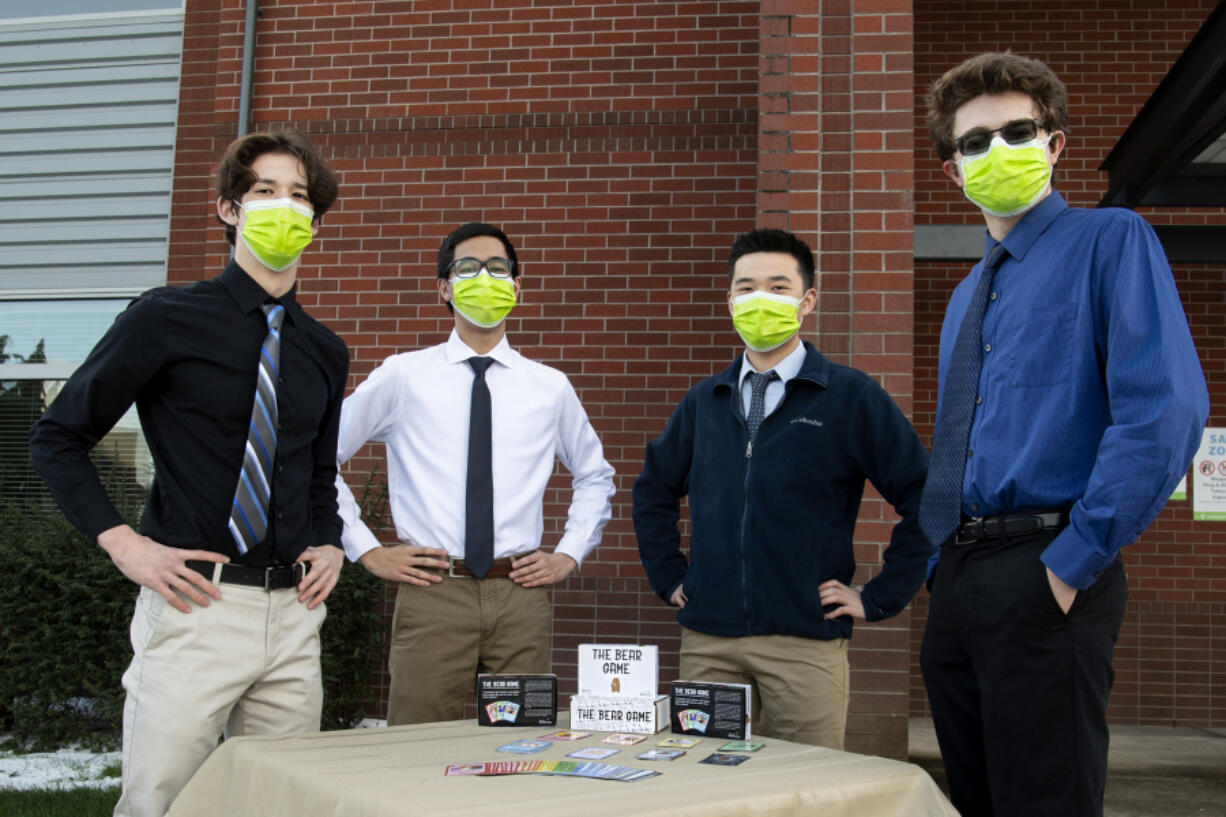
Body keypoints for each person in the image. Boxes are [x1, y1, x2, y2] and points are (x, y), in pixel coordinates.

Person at [918, 52, 1209, 817]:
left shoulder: (1111, 241)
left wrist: (1071, 563)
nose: (998, 150)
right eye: (975, 141)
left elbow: (1163, 411)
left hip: (1046, 568)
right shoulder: (963, 298)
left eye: (1019, 130)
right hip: (959, 576)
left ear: (1055, 145)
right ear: (952, 171)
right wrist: (936, 569)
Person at [29, 130, 349, 817]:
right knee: (159, 804)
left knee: (283, 804)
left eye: (298, 196)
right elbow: (58, 438)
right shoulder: (165, 317)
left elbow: (320, 476)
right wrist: (125, 544)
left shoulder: (325, 350)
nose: (283, 206)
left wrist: (330, 541)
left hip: (294, 617)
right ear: (229, 208)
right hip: (195, 609)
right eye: (265, 191)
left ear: (315, 224)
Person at [633, 228, 930, 749]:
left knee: (805, 790)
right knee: (707, 791)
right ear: (729, 300)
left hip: (804, 644)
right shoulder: (704, 402)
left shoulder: (849, 396)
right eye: (746, 288)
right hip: (710, 643)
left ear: (807, 300)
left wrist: (881, 596)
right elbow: (653, 489)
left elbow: (926, 495)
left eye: (777, 286)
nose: (759, 300)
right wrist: (669, 574)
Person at [335, 222, 615, 725]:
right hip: (434, 593)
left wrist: (569, 554)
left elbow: (594, 475)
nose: (485, 277)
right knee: (415, 751)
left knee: (521, 749)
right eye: (468, 268)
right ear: (444, 287)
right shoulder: (404, 377)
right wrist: (366, 548)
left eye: (499, 268)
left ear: (516, 286)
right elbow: (320, 456)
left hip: (519, 596)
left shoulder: (549, 388)